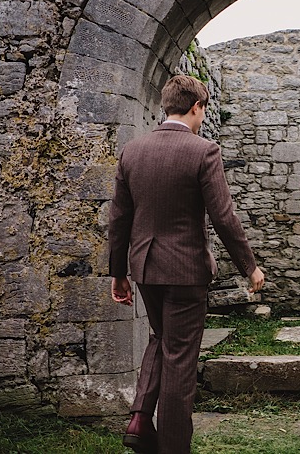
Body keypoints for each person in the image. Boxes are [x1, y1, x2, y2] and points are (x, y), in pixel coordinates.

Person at [109, 74, 264, 454]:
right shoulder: (203, 150)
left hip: (144, 267)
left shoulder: (133, 151)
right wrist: (250, 266)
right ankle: (173, 448)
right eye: (202, 111)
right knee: (180, 358)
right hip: (185, 271)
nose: (201, 118)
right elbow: (224, 215)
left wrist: (118, 273)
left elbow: (118, 218)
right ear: (196, 107)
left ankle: (140, 419)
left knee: (161, 340)